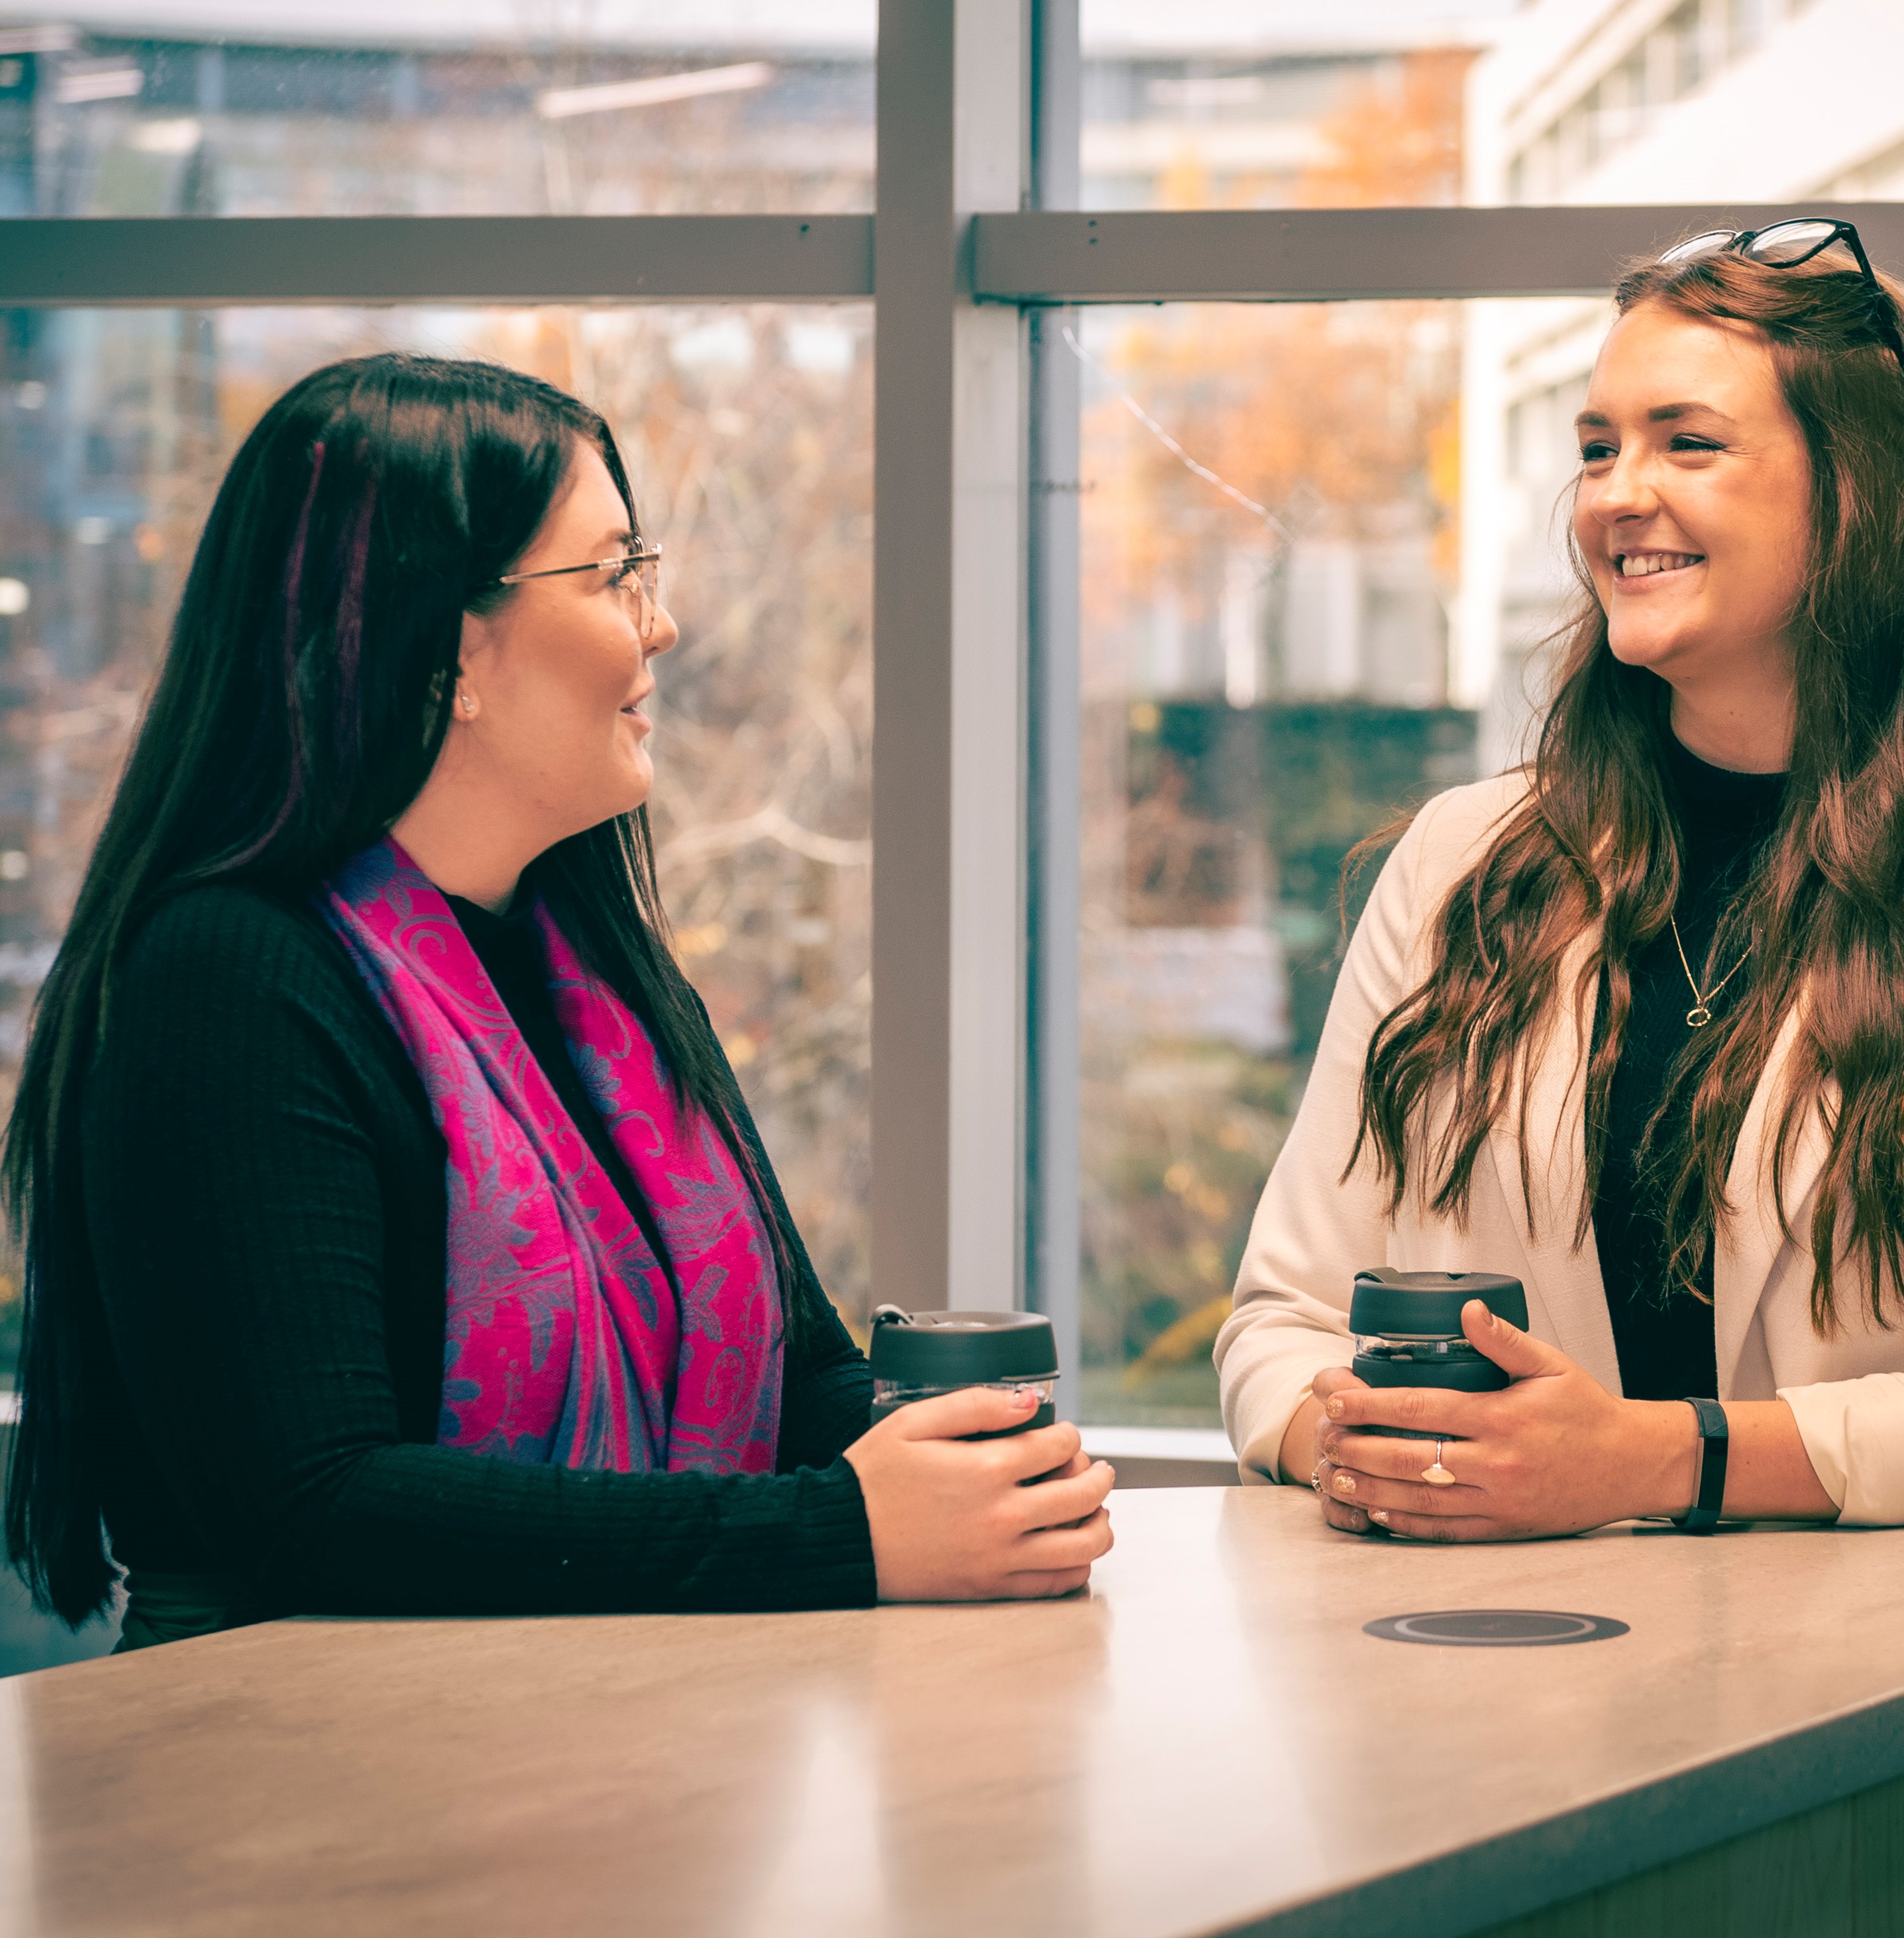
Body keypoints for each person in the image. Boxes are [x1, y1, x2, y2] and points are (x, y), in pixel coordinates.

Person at [4, 354, 1113, 1647]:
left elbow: (791, 1370)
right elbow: (313, 1506)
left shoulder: (597, 964)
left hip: (615, 1749)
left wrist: (963, 1464)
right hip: (295, 1785)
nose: (660, 624)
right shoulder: (224, 976)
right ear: (444, 639)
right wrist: (843, 1531)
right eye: (610, 575)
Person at [1218, 219, 1904, 1553]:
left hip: (1897, 1720)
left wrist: (1648, 1456)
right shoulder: (1462, 857)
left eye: (1685, 442)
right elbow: (1278, 1318)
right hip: (1497, 1695)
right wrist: (1344, 1436)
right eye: (1594, 446)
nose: (1613, 493)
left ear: (1855, 491)